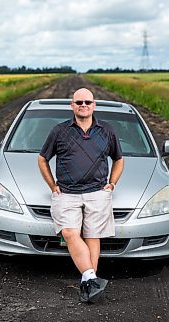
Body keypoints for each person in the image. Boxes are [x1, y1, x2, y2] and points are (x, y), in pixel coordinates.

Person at [38, 88, 124, 303]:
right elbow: (42, 158)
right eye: (79, 102)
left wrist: (112, 184)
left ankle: (89, 285)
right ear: (72, 105)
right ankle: (91, 277)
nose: (83, 105)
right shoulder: (59, 131)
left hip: (98, 192)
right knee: (68, 232)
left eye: (87, 101)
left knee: (92, 236)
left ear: (94, 105)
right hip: (66, 193)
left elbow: (119, 159)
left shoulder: (107, 130)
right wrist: (52, 186)